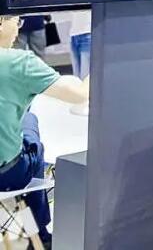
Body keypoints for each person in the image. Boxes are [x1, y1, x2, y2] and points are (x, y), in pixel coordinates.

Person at [0, 14, 89, 250]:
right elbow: (79, 95)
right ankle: (39, 232)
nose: (18, 30)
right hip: (7, 175)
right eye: (16, 22)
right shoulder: (19, 62)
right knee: (32, 136)